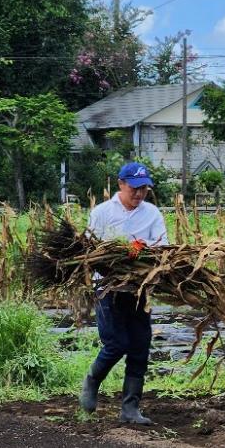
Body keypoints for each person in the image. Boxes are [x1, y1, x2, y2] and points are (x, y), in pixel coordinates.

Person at [79, 162, 168, 425]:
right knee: (117, 343)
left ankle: (130, 409)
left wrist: (144, 247)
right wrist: (117, 253)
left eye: (144, 189)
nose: (139, 194)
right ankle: (92, 380)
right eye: (134, 188)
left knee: (140, 345)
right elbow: (89, 248)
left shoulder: (152, 213)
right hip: (108, 287)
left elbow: (163, 246)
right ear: (120, 184)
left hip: (139, 289)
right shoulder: (102, 212)